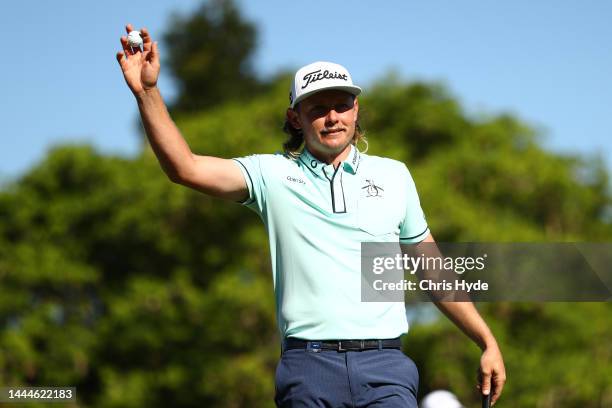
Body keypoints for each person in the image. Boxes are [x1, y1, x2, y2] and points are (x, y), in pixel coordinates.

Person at [116, 24, 506, 407]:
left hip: (386, 367)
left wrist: (486, 340)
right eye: (318, 108)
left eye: (342, 105)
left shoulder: (395, 175)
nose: (332, 117)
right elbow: (185, 167)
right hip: (308, 368)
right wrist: (148, 92)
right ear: (295, 118)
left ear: (357, 111)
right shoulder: (271, 174)